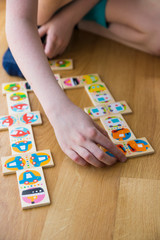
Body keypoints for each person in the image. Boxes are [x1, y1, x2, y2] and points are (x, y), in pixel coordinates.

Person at [8, 0, 153, 167]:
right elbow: (19, 19)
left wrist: (68, 19)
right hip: (38, 11)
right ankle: (45, 28)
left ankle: (77, 22)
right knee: (40, 13)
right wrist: (59, 111)